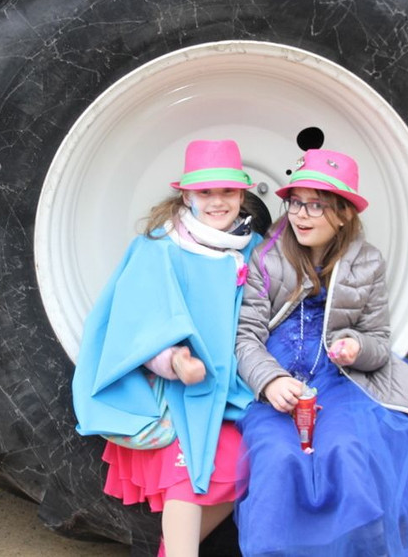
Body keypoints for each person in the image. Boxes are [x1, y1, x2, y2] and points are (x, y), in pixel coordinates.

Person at [233, 148, 408, 556]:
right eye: (295, 202)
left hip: (338, 381)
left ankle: (355, 547)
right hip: (279, 379)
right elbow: (245, 336)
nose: (301, 215)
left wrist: (356, 348)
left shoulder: (366, 262)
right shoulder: (267, 258)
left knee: (345, 449)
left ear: (343, 213)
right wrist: (270, 380)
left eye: (316, 205)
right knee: (277, 456)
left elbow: (378, 340)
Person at [72, 139, 264, 557]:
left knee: (247, 467)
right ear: (186, 195)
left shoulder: (252, 248)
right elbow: (136, 325)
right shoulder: (160, 248)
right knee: (187, 474)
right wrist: (175, 360)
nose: (218, 201)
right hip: (176, 390)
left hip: (231, 388)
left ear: (242, 195)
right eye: (205, 192)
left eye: (228, 191)